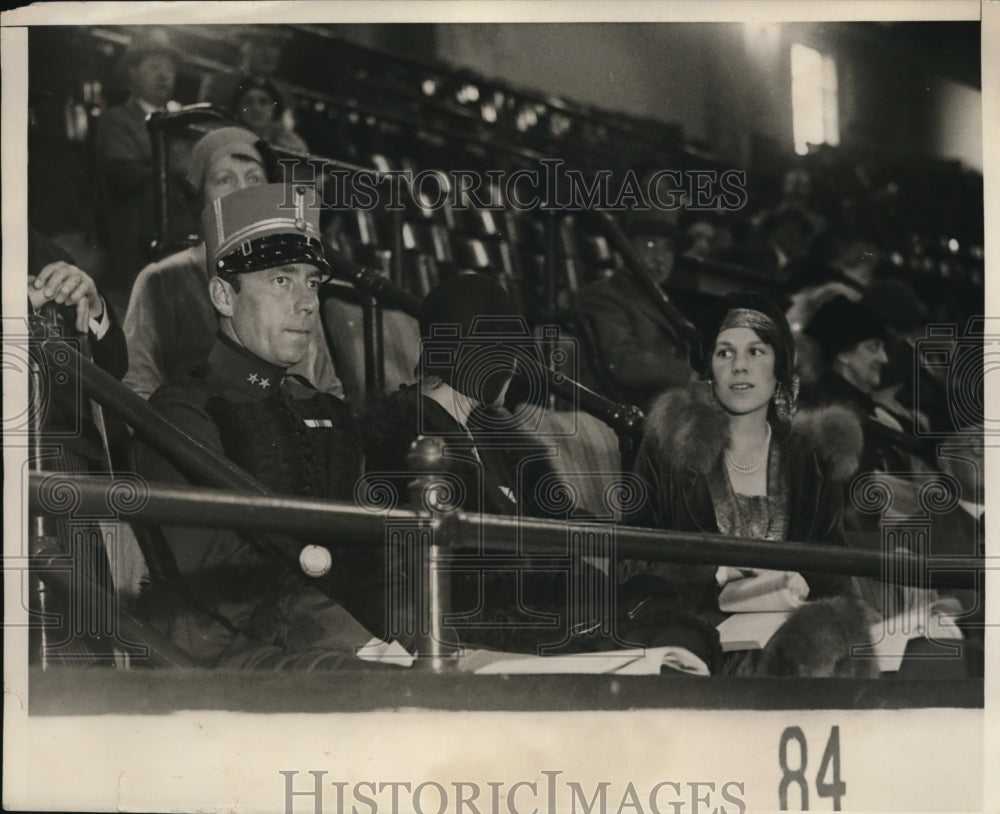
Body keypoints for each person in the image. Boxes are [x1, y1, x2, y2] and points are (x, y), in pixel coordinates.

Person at [134, 183, 380, 668]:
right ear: (224, 296)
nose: (309, 302)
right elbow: (228, 581)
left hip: (328, 635)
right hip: (229, 656)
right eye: (282, 280)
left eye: (312, 282)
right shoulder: (181, 413)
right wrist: (370, 646)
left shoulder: (320, 407)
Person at [620, 291, 865, 672]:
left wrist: (799, 583)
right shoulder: (669, 447)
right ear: (709, 370)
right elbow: (630, 564)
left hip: (791, 642)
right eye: (724, 353)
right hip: (692, 638)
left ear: (779, 367)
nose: (740, 367)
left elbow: (836, 579)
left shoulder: (809, 458)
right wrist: (713, 573)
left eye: (756, 352)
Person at [122, 126, 343, 400]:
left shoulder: (297, 281)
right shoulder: (162, 279)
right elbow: (137, 387)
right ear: (200, 196)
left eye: (254, 179)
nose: (242, 193)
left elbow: (325, 386)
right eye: (225, 180)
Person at [95, 29, 191, 307]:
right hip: (137, 243)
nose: (164, 75)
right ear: (133, 73)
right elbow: (126, 173)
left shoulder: (185, 123)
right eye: (154, 67)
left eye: (169, 69)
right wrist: (178, 168)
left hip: (184, 241)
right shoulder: (116, 120)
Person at [572, 211, 694, 409]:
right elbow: (621, 364)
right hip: (616, 412)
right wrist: (690, 374)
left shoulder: (660, 300)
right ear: (625, 250)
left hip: (660, 409)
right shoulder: (604, 295)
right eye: (650, 245)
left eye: (668, 249)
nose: (660, 258)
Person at [803, 294, 915, 474]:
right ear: (844, 355)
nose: (884, 358)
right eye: (873, 348)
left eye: (883, 348)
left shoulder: (873, 410)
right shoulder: (829, 412)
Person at [230, 74, 309, 153]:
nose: (256, 109)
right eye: (248, 102)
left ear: (275, 108)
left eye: (263, 102)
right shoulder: (230, 141)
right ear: (238, 109)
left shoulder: (292, 145)